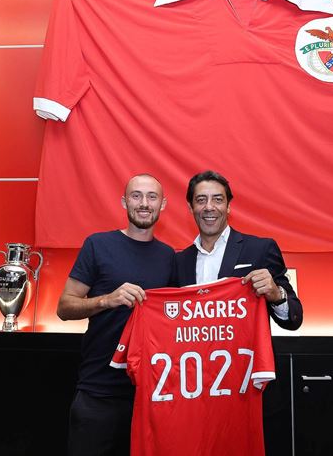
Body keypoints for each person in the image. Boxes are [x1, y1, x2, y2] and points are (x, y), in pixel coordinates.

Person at [57, 173, 175, 456]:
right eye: (136, 196)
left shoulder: (170, 256)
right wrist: (107, 300)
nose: (144, 203)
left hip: (150, 395)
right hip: (98, 391)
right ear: (124, 202)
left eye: (151, 197)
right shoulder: (98, 245)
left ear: (163, 204)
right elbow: (64, 307)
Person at [175, 170, 302, 330]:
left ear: (228, 206)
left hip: (246, 354)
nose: (209, 207)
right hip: (194, 354)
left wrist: (276, 294)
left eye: (218, 200)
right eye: (201, 200)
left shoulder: (260, 249)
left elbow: (294, 319)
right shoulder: (179, 261)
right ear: (190, 207)